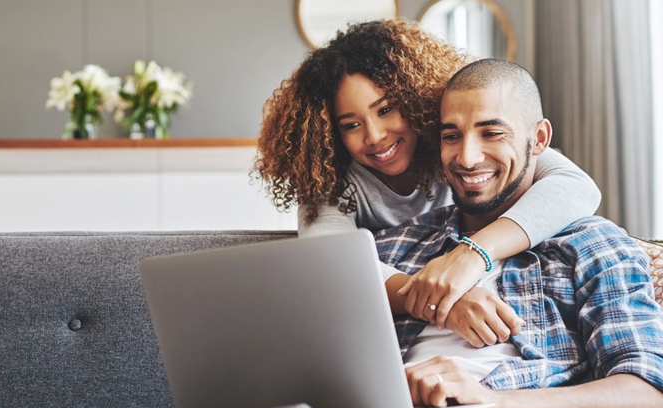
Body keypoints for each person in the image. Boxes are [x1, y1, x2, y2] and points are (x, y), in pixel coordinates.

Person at [144, 58, 663, 408]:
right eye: (452, 135)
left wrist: (487, 401)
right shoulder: (396, 244)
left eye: (491, 133)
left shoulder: (591, 244)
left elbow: (651, 394)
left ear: (539, 139)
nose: (468, 156)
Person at [254, 19, 601, 342]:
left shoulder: (458, 145)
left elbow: (577, 186)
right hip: (403, 323)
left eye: (386, 109)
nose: (374, 136)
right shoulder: (330, 178)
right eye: (351, 125)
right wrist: (437, 300)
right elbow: (328, 261)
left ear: (415, 98)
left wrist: (474, 253)